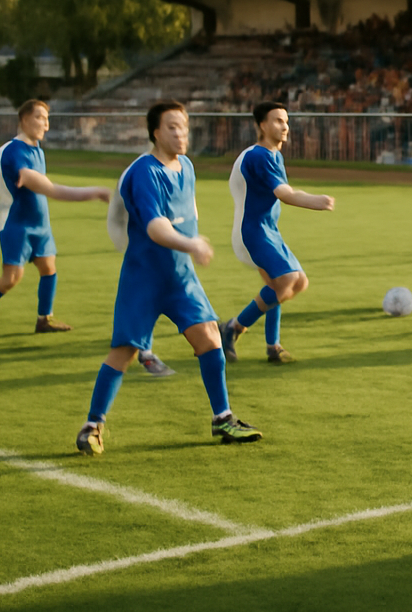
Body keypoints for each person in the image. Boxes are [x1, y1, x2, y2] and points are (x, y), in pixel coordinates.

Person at [75, 101, 262, 456]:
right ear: (155, 132)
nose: (181, 134)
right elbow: (155, 227)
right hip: (144, 278)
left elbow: (186, 214)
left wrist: (190, 244)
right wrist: (191, 243)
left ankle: (223, 418)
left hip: (180, 277)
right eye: (173, 127)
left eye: (184, 127)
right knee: (125, 351)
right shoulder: (144, 172)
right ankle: (92, 425)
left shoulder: (187, 167)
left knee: (210, 338)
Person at [0, 100, 167, 368]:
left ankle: (44, 320)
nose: (45, 124)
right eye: (39, 117)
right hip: (18, 225)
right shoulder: (15, 152)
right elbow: (49, 189)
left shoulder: (36, 150)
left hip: (40, 224)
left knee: (48, 268)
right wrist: (93, 192)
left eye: (47, 118)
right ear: (24, 120)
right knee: (10, 279)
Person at [219, 100, 336, 364]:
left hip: (267, 230)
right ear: (262, 125)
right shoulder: (258, 156)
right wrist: (316, 201)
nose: (285, 126)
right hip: (251, 232)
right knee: (286, 279)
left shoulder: (273, 155)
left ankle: (271, 346)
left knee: (296, 282)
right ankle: (234, 327)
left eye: (286, 121)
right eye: (278, 120)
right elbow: (284, 193)